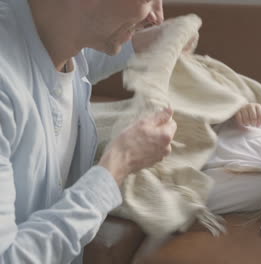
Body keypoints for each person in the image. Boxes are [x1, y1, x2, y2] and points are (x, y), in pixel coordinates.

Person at [0, 0, 176, 263]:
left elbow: (82, 64)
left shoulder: (60, 40)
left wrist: (142, 43)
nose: (157, 16)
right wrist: (118, 164)